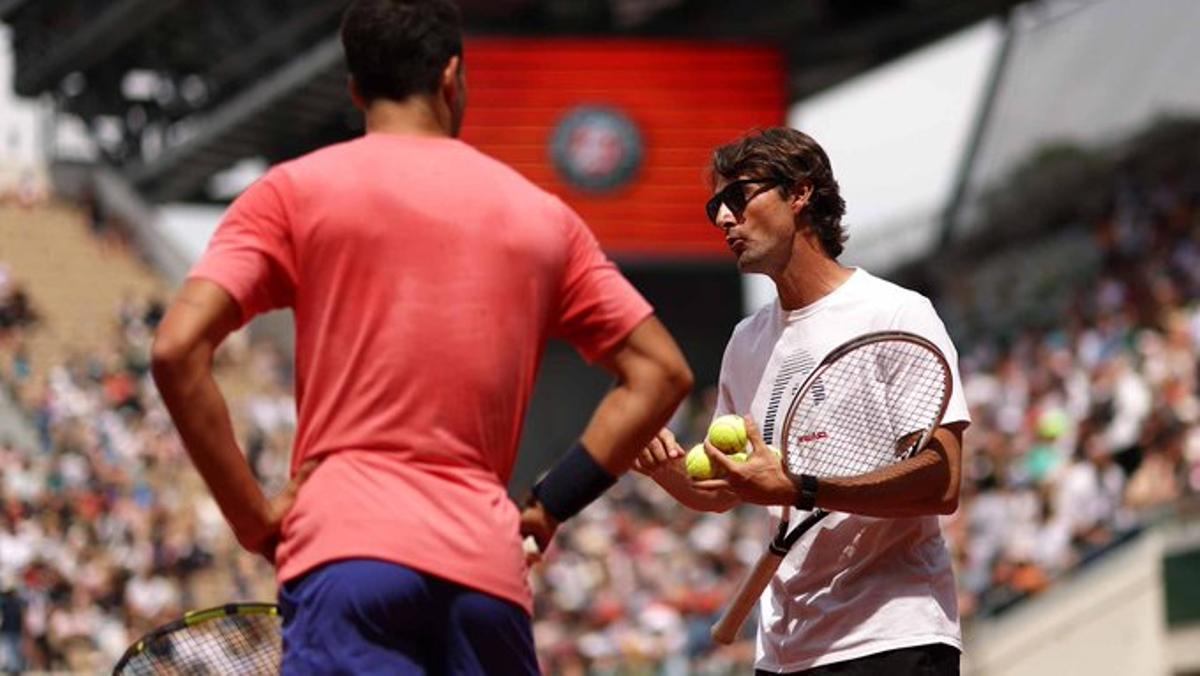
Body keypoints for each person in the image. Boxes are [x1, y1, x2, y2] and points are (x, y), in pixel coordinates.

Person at [149, 0, 693, 673]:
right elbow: (662, 373)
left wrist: (254, 519)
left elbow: (176, 349)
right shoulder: (542, 217)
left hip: (345, 551)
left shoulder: (291, 192)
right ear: (451, 77)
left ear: (355, 89)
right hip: (485, 569)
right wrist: (550, 505)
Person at [635, 128, 971, 675]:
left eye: (738, 198)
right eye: (715, 206)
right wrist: (665, 469)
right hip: (786, 653)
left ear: (800, 194)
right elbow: (723, 490)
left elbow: (942, 482)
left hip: (892, 639)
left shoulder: (897, 313)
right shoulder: (746, 342)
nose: (724, 220)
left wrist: (801, 488)